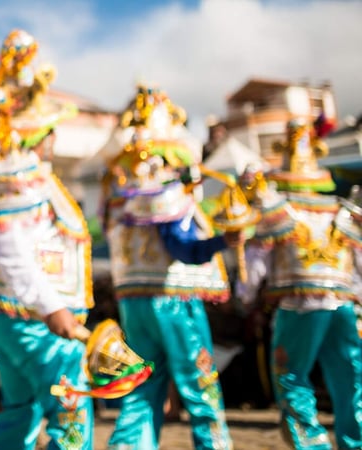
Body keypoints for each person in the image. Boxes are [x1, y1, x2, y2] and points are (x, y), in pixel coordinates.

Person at [0, 30, 94, 450]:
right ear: (36, 135)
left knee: (21, 410)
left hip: (11, 314)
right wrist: (52, 309)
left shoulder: (22, 179)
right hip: (34, 317)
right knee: (69, 408)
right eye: (50, 129)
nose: (56, 137)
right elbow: (12, 254)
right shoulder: (14, 180)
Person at [103, 84, 238, 450]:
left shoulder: (119, 202)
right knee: (199, 384)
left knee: (142, 385)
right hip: (173, 301)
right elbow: (184, 249)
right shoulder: (166, 195)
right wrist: (225, 241)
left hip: (134, 304)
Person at [237, 119, 362, 450]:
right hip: (343, 305)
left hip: (299, 307)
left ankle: (313, 444)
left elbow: (254, 267)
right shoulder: (342, 211)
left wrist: (246, 295)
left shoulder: (278, 210)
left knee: (291, 376)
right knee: (351, 377)